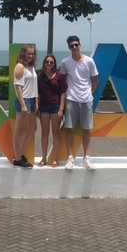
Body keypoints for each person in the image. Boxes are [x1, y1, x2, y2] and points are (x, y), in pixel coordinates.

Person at [60, 35, 99, 170]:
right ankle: (70, 158)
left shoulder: (89, 61)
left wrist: (90, 92)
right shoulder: (65, 62)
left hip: (87, 100)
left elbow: (95, 79)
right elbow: (63, 80)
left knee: (86, 130)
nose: (74, 47)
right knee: (69, 129)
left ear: (80, 45)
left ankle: (86, 158)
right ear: (69, 47)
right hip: (71, 99)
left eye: (76, 44)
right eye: (72, 45)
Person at [37, 54, 67, 167]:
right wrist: (37, 107)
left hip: (55, 107)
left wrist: (61, 109)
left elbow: (63, 93)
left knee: (56, 134)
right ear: (44, 63)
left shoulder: (59, 76)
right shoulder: (40, 76)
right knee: (44, 134)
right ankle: (44, 158)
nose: (49, 64)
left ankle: (55, 159)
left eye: (51, 62)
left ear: (54, 64)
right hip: (44, 107)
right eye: (47, 62)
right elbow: (38, 93)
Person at [12, 44, 38, 168]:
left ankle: (20, 153)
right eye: (28, 53)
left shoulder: (31, 67)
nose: (31, 56)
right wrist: (23, 105)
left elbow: (34, 86)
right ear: (23, 53)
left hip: (32, 100)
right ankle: (17, 159)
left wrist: (36, 101)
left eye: (32, 53)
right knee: (19, 131)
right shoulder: (20, 66)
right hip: (24, 100)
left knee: (33, 128)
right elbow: (17, 87)